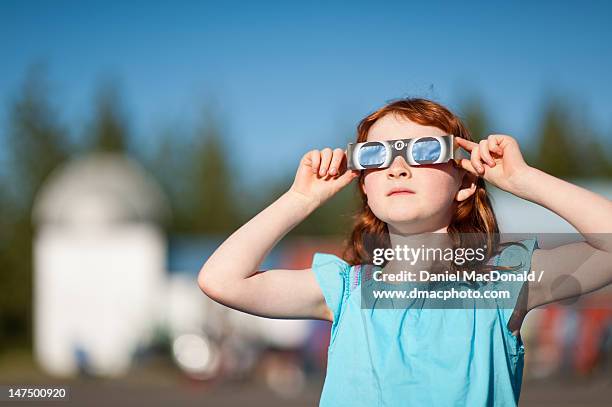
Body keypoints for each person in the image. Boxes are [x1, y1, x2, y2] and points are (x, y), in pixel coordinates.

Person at [197, 98, 612, 406]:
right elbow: (221, 280)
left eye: (425, 151)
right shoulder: (344, 289)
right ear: (363, 183)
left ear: (465, 181)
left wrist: (525, 179)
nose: (398, 167)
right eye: (377, 155)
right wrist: (300, 200)